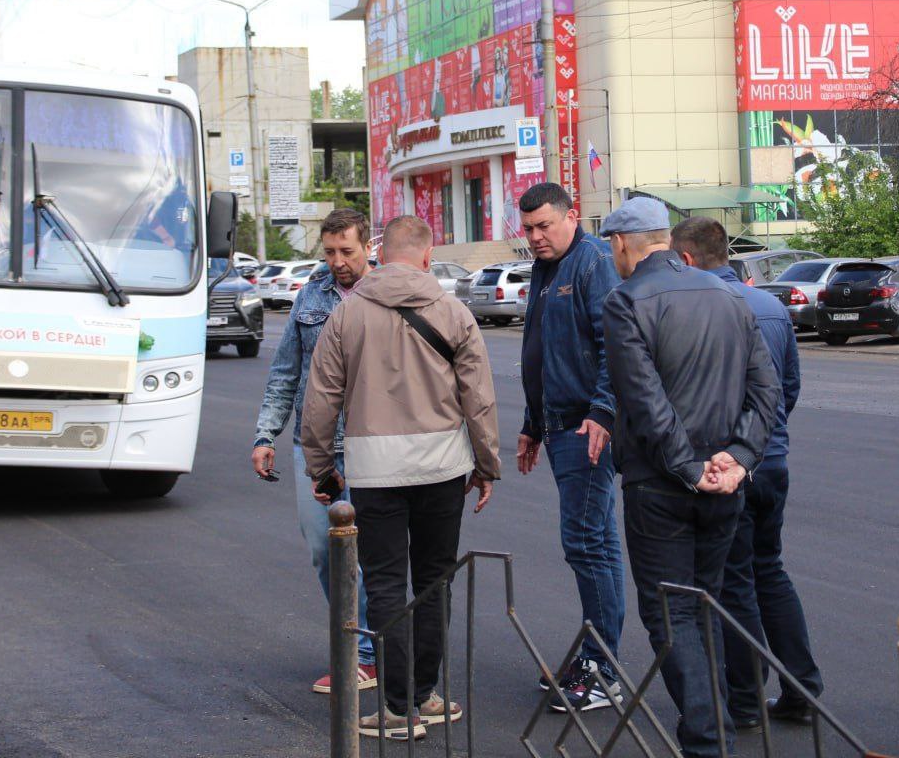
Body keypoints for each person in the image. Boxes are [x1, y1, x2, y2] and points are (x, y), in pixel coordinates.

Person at [301, 215, 499, 741]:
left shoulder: (347, 316)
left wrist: (321, 468)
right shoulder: (455, 313)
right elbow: (478, 399)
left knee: (386, 582)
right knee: (435, 578)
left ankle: (395, 707)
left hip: (374, 469)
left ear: (380, 253)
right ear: (428, 256)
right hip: (443, 468)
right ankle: (428, 694)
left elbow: (321, 400)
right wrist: (487, 466)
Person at [601, 197, 780, 758]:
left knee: (673, 613)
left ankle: (709, 740)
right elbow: (765, 391)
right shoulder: (728, 292)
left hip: (663, 482)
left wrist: (690, 467)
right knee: (707, 602)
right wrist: (739, 458)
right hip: (722, 479)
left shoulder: (627, 301)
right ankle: (717, 726)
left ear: (623, 245)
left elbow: (644, 399)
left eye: (611, 246)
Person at [670, 216, 823, 729]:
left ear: (687, 259)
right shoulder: (771, 307)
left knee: (733, 582)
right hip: (772, 460)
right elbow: (788, 388)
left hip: (729, 463)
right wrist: (767, 438)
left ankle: (744, 699)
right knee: (770, 571)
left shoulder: (702, 308)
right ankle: (802, 688)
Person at [250, 208, 377, 694]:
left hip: (371, 443)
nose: (338, 261)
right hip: (316, 446)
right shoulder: (311, 295)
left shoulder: (384, 294)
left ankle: (366, 653)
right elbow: (285, 373)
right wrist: (266, 436)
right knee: (326, 550)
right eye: (329, 252)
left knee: (373, 553)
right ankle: (362, 644)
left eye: (347, 251)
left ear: (368, 247)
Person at [515, 181, 625, 711]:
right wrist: (533, 424)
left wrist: (602, 411)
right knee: (596, 543)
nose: (535, 236)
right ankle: (597, 657)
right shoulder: (547, 268)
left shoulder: (591, 262)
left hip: (586, 429)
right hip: (558, 425)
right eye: (528, 228)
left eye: (544, 226)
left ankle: (603, 670)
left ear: (571, 216)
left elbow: (614, 347)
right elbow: (545, 351)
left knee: (587, 544)